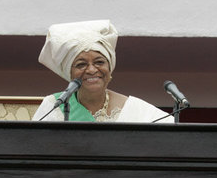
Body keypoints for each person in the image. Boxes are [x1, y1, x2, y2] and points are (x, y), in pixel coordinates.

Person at [32, 20, 172, 123]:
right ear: (70, 73)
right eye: (81, 64)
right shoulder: (54, 105)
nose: (92, 70)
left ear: (110, 68)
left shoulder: (136, 109)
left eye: (99, 62)